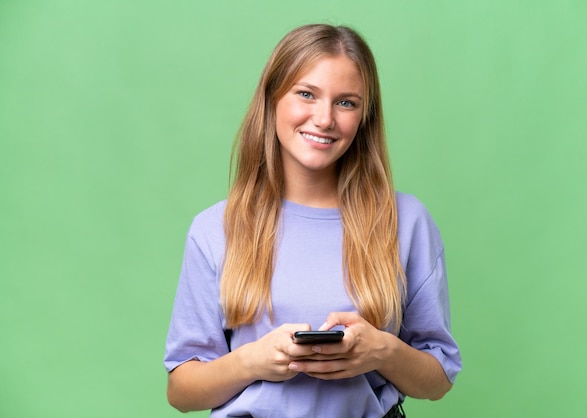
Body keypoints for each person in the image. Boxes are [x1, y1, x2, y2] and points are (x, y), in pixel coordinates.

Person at [164, 23, 461, 418]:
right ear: (272, 100)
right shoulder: (215, 229)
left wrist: (381, 351)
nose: (324, 119)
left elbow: (437, 380)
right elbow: (182, 392)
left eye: (346, 102)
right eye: (306, 94)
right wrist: (252, 361)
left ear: (364, 118)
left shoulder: (406, 222)